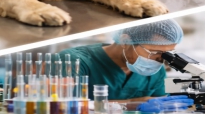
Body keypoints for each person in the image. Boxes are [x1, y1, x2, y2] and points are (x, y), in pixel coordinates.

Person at [59, 19, 189, 109]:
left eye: (168, 53)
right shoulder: (74, 60)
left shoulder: (156, 70)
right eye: (154, 51)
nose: (161, 59)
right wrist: (133, 104)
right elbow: (66, 106)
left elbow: (162, 109)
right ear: (125, 41)